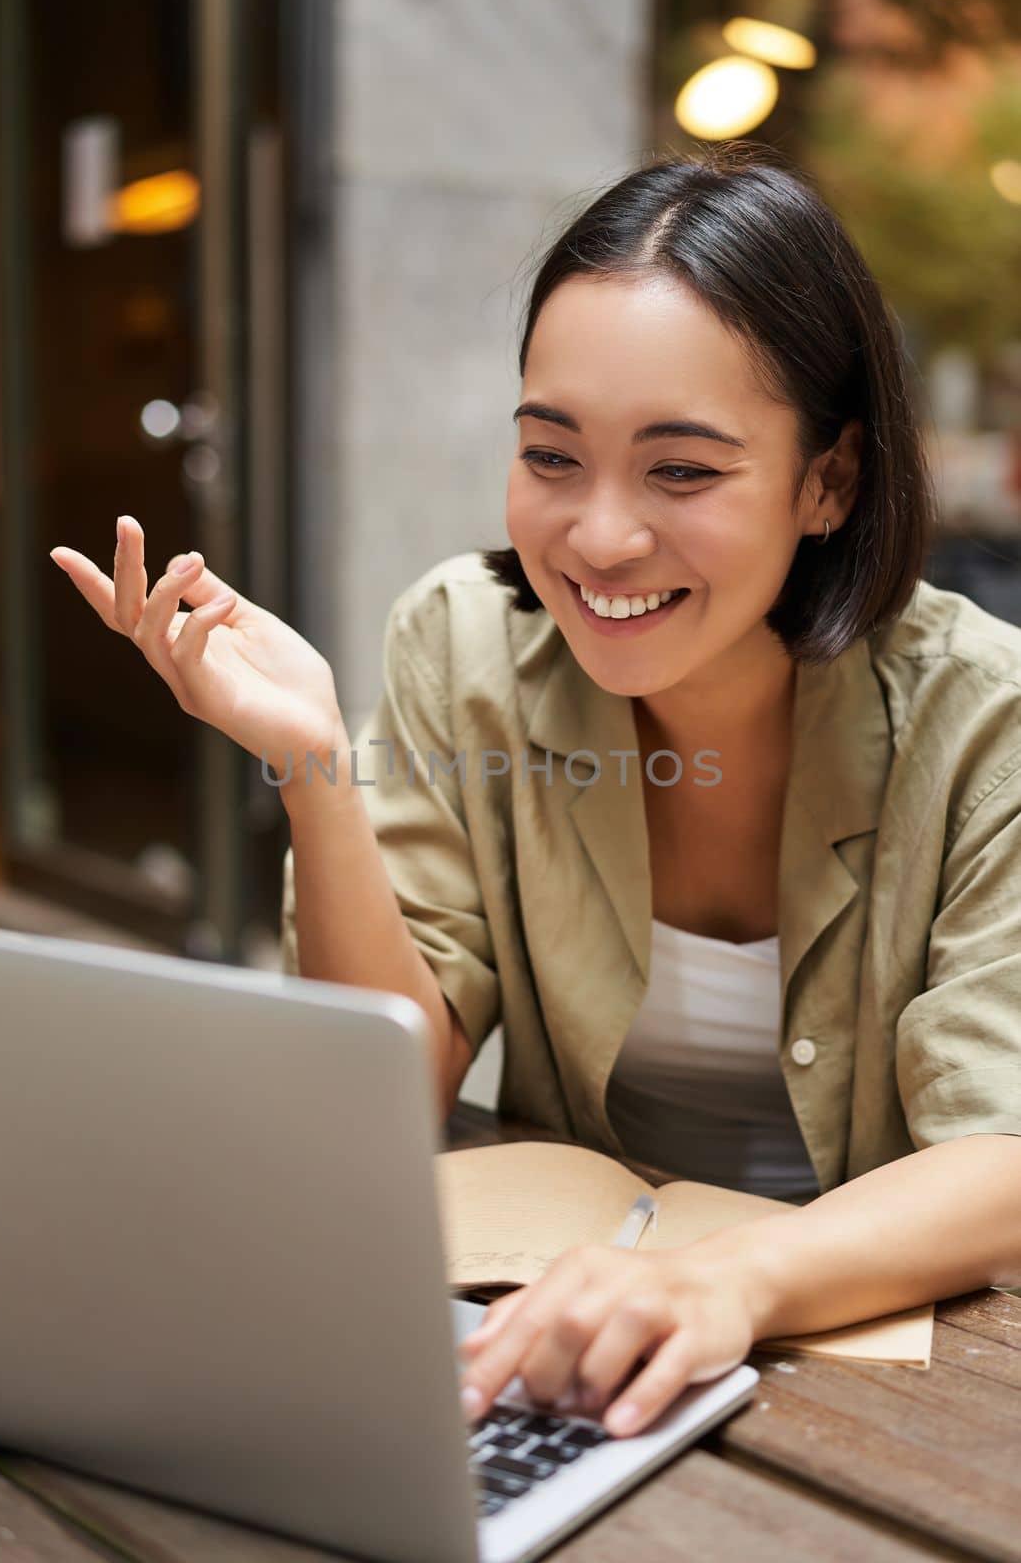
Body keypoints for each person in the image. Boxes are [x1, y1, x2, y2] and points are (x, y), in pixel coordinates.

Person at [51, 142, 1021, 1441]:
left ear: (829, 479)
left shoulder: (984, 717)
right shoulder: (463, 646)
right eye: (552, 456)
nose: (600, 536)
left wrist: (725, 1280)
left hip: (898, 1388)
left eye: (682, 471)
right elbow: (385, 1090)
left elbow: (1001, 1157)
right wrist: (318, 773)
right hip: (552, 1357)